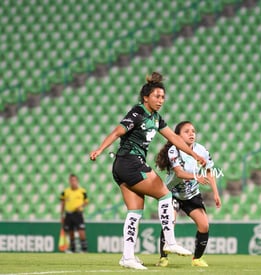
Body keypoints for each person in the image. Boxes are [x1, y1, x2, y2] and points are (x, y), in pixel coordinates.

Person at [89, 72, 207, 270]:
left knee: (135, 212)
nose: (160, 100)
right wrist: (101, 148)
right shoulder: (138, 112)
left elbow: (176, 139)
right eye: (156, 96)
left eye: (162, 97)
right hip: (130, 162)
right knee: (165, 195)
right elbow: (118, 131)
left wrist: (194, 155)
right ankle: (169, 241)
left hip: (122, 166)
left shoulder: (157, 118)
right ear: (146, 97)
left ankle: (127, 256)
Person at [155, 121, 221, 267]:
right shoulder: (173, 150)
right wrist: (196, 177)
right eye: (187, 131)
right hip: (171, 193)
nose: (191, 134)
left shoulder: (201, 150)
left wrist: (216, 193)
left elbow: (210, 170)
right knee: (169, 222)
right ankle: (163, 257)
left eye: (193, 131)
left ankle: (197, 259)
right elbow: (179, 173)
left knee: (204, 225)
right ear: (177, 136)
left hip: (191, 195)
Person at [60, 173, 88, 253]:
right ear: (69, 181)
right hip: (69, 214)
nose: (73, 182)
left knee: (81, 232)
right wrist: (61, 215)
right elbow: (62, 203)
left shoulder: (82, 191)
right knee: (70, 233)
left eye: (74, 180)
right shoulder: (65, 192)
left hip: (78, 214)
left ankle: (84, 250)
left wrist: (81, 206)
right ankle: (73, 250)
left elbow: (86, 202)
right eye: (71, 180)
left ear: (77, 181)